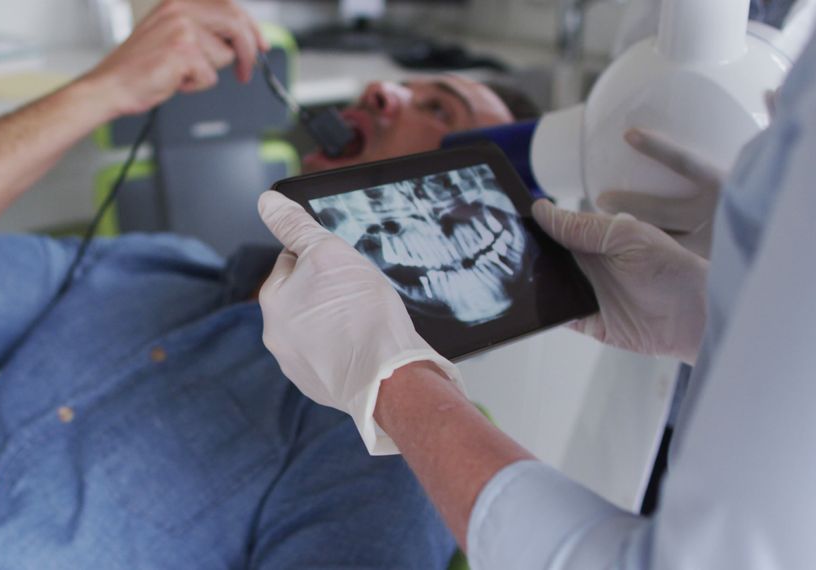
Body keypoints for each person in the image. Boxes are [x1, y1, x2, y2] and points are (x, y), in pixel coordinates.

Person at [0, 0, 528, 567]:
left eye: (439, 109)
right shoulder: (148, 268)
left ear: (466, 211)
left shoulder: (370, 456)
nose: (384, 87)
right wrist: (103, 90)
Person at [256, 23, 816, 570]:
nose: (384, 93)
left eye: (441, 111)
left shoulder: (373, 486)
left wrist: (395, 384)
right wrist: (707, 315)